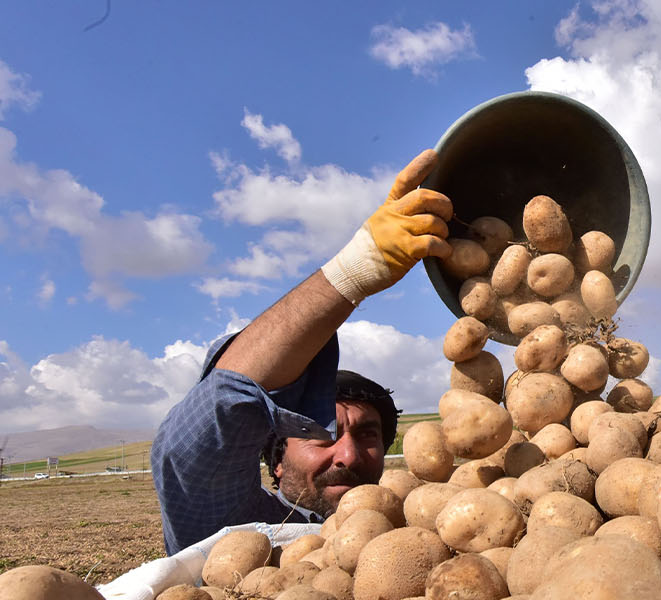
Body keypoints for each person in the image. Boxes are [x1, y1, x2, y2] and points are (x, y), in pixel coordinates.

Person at [152, 150, 453, 554]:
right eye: (322, 436)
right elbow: (196, 441)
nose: (347, 455)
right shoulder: (245, 531)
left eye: (368, 435)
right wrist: (353, 271)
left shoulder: (415, 530)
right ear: (277, 462)